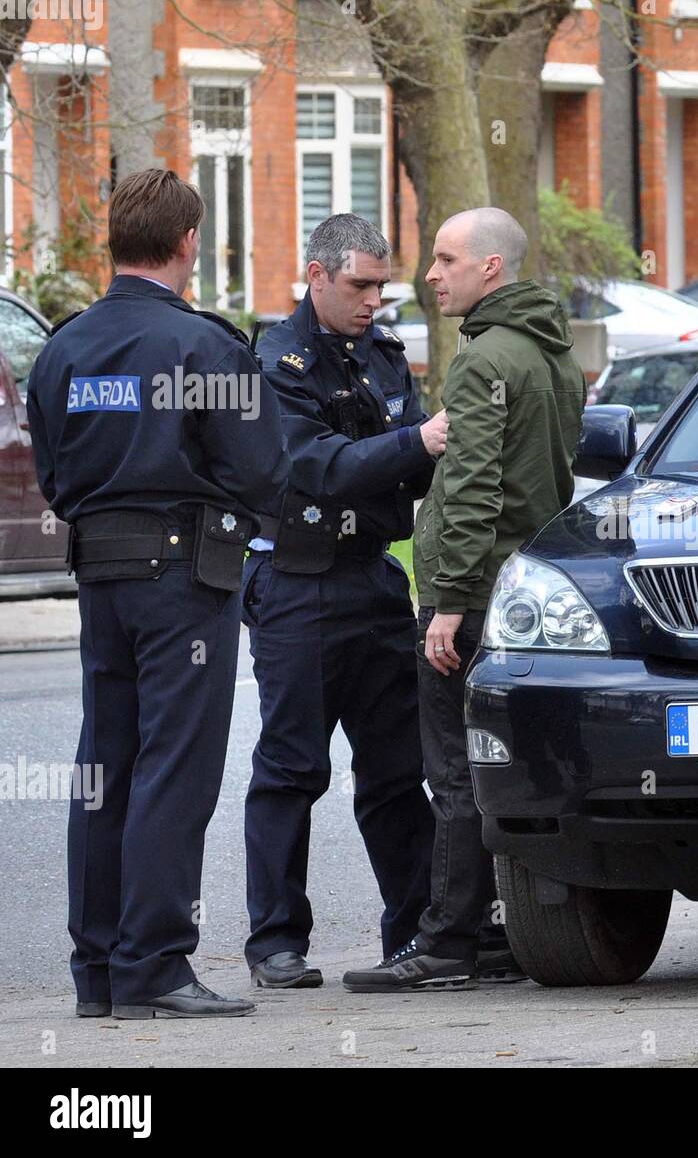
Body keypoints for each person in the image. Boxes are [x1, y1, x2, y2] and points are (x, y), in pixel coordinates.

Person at [26, 168, 289, 1019]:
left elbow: (55, 476)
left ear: (115, 241)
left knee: (105, 767)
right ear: (188, 244)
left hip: (100, 576)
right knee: (174, 771)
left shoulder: (63, 346)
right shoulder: (206, 347)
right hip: (184, 584)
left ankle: (99, 972)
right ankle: (155, 965)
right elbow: (265, 472)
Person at [342, 207, 585, 992]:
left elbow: (475, 486)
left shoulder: (482, 364)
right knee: (508, 772)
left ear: (491, 269)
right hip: (525, 597)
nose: (430, 274)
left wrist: (446, 600)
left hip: (470, 599)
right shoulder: (553, 355)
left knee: (453, 774)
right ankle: (503, 935)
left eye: (446, 259)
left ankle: (448, 943)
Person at [242, 214, 446, 989]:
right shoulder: (276, 360)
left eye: (382, 288)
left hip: (371, 574)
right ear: (316, 275)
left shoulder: (384, 356)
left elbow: (413, 467)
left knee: (397, 769)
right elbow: (313, 465)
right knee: (292, 767)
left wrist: (418, 452)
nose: (373, 302)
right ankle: (275, 941)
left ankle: (416, 929)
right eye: (360, 285)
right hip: (300, 583)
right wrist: (412, 445)